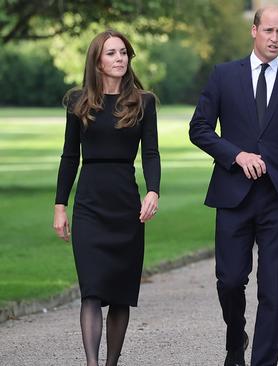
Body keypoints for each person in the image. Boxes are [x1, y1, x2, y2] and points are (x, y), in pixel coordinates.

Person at [188, 6, 278, 366]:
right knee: (230, 281)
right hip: (233, 194)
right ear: (254, 31)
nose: (275, 38)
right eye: (269, 31)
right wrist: (236, 155)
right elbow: (199, 129)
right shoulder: (224, 76)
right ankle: (236, 337)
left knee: (273, 290)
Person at [52, 30, 160, 366]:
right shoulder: (78, 102)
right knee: (92, 290)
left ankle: (111, 363)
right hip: (89, 204)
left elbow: (152, 154)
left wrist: (153, 190)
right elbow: (70, 156)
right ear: (97, 61)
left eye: (124, 53)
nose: (120, 58)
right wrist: (60, 205)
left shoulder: (144, 102)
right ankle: (92, 364)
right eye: (112, 53)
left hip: (126, 205)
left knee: (120, 294)